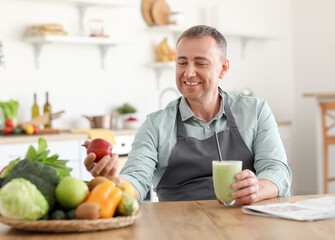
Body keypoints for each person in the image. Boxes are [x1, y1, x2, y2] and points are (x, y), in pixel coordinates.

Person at [84, 25, 292, 204]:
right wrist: (113, 180)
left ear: (223, 68)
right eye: (182, 62)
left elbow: (277, 170)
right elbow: (136, 179)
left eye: (201, 63)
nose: (189, 72)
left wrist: (259, 189)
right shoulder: (155, 126)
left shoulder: (255, 111)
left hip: (243, 222)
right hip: (178, 226)